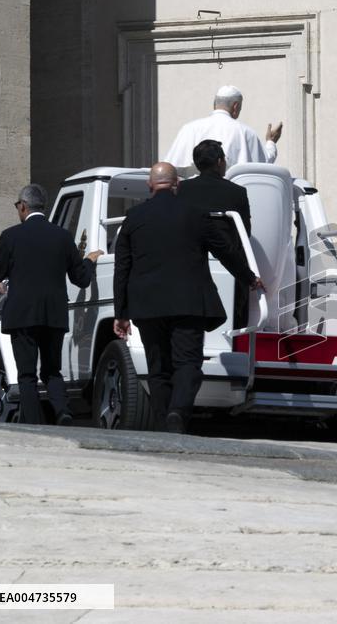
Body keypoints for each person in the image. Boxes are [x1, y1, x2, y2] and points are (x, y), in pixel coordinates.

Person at [113, 162, 263, 433]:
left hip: (147, 307)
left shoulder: (132, 218)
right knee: (188, 364)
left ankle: (163, 421)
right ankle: (177, 413)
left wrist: (121, 312)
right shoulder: (196, 215)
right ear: (177, 185)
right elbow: (226, 251)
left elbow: (122, 268)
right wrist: (249, 278)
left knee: (158, 368)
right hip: (189, 305)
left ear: (149, 186)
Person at [0, 184, 104, 425]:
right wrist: (90, 261)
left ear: (23, 206)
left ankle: (32, 421)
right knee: (52, 370)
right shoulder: (62, 236)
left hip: (22, 314)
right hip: (53, 314)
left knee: (27, 374)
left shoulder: (10, 236)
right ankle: (62, 411)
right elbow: (80, 278)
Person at [177, 139, 253, 329]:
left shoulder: (182, 190)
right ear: (220, 162)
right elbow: (245, 233)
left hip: (189, 266)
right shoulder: (237, 192)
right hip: (230, 266)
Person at [163, 85, 282, 178]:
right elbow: (263, 164)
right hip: (232, 200)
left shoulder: (189, 128)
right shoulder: (245, 132)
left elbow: (170, 168)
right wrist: (271, 142)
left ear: (214, 104)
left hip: (194, 200)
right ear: (235, 106)